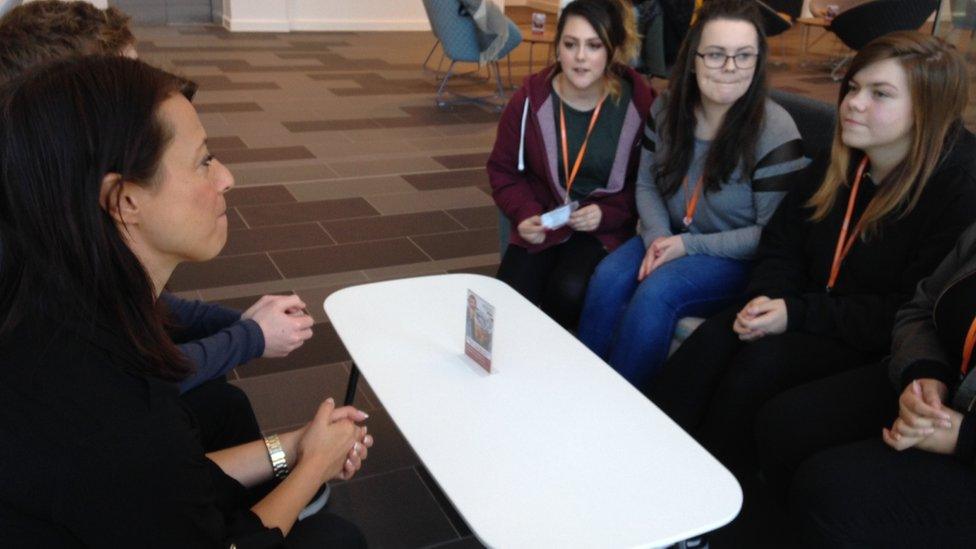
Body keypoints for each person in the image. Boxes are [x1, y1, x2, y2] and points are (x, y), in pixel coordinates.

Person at [0, 55, 372, 547]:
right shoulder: (119, 404)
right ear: (125, 200)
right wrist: (313, 470)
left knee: (222, 404)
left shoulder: (58, 297)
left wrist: (296, 446)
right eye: (203, 161)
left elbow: (175, 481)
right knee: (335, 539)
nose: (226, 178)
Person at [648, 30, 976, 489]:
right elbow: (781, 241)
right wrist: (771, 298)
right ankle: (647, 461)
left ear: (926, 109)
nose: (853, 104)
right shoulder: (841, 158)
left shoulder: (955, 190)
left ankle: (705, 497)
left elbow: (908, 310)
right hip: (801, 308)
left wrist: (795, 313)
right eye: (854, 87)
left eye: (879, 94)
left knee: (755, 371)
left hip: (869, 339)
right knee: (711, 344)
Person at [0, 0, 313, 454]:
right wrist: (249, 338)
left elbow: (145, 310)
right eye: (126, 87)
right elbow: (125, 380)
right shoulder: (35, 262)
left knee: (223, 403)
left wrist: (239, 327)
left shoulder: (61, 212)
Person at [577, 0, 807, 389]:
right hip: (665, 236)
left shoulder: (775, 131)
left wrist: (687, 247)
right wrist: (656, 238)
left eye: (744, 55)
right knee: (607, 276)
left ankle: (622, 409)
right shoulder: (667, 109)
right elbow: (647, 184)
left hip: (732, 254)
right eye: (716, 54)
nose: (731, 67)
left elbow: (770, 236)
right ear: (694, 57)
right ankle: (581, 386)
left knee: (657, 294)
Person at [752, 219, 976, 546]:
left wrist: (964, 437)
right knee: (784, 424)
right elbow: (921, 309)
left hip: (963, 438)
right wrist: (924, 373)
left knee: (831, 493)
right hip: (941, 387)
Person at [488, 0, 654, 329]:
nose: (580, 57)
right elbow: (503, 170)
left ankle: (552, 367)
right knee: (506, 295)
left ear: (613, 50)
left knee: (569, 289)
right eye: (570, 44)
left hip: (601, 230)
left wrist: (608, 213)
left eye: (594, 46)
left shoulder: (640, 105)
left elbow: (647, 185)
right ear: (557, 47)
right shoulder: (528, 100)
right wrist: (524, 212)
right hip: (545, 220)